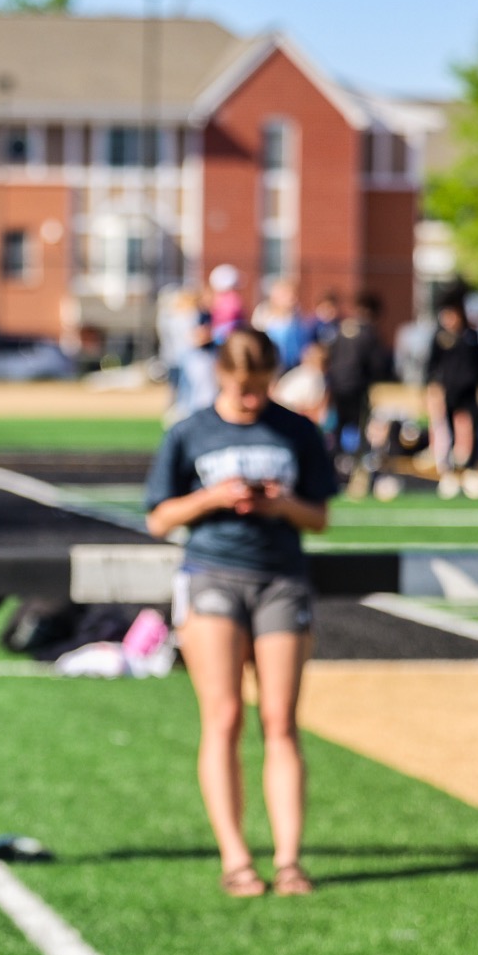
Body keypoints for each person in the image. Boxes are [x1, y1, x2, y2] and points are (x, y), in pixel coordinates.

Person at [144, 327, 335, 897]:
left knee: (280, 720)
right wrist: (213, 497)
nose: (252, 398)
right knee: (224, 717)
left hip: (281, 579)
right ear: (222, 377)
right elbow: (158, 517)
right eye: (242, 386)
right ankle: (235, 857)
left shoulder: (297, 429)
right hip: (212, 574)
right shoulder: (190, 430)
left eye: (261, 386)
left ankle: (290, 859)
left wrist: (280, 504)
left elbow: (319, 517)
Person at [323, 291, 390, 491]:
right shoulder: (369, 333)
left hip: (336, 388)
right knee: (361, 431)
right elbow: (378, 365)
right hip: (358, 389)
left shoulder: (342, 329)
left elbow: (330, 357)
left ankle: (331, 472)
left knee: (336, 430)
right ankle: (357, 478)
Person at [424, 292, 478, 499]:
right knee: (447, 431)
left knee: (473, 427)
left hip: (469, 391)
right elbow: (431, 367)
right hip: (448, 392)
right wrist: (433, 390)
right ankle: (449, 472)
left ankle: (471, 470)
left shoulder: (470, 336)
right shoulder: (440, 337)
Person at [253, 276, 308, 371]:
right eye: (288, 295)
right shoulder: (263, 315)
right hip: (271, 367)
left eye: (294, 295)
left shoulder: (296, 317)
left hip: (292, 367)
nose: (293, 298)